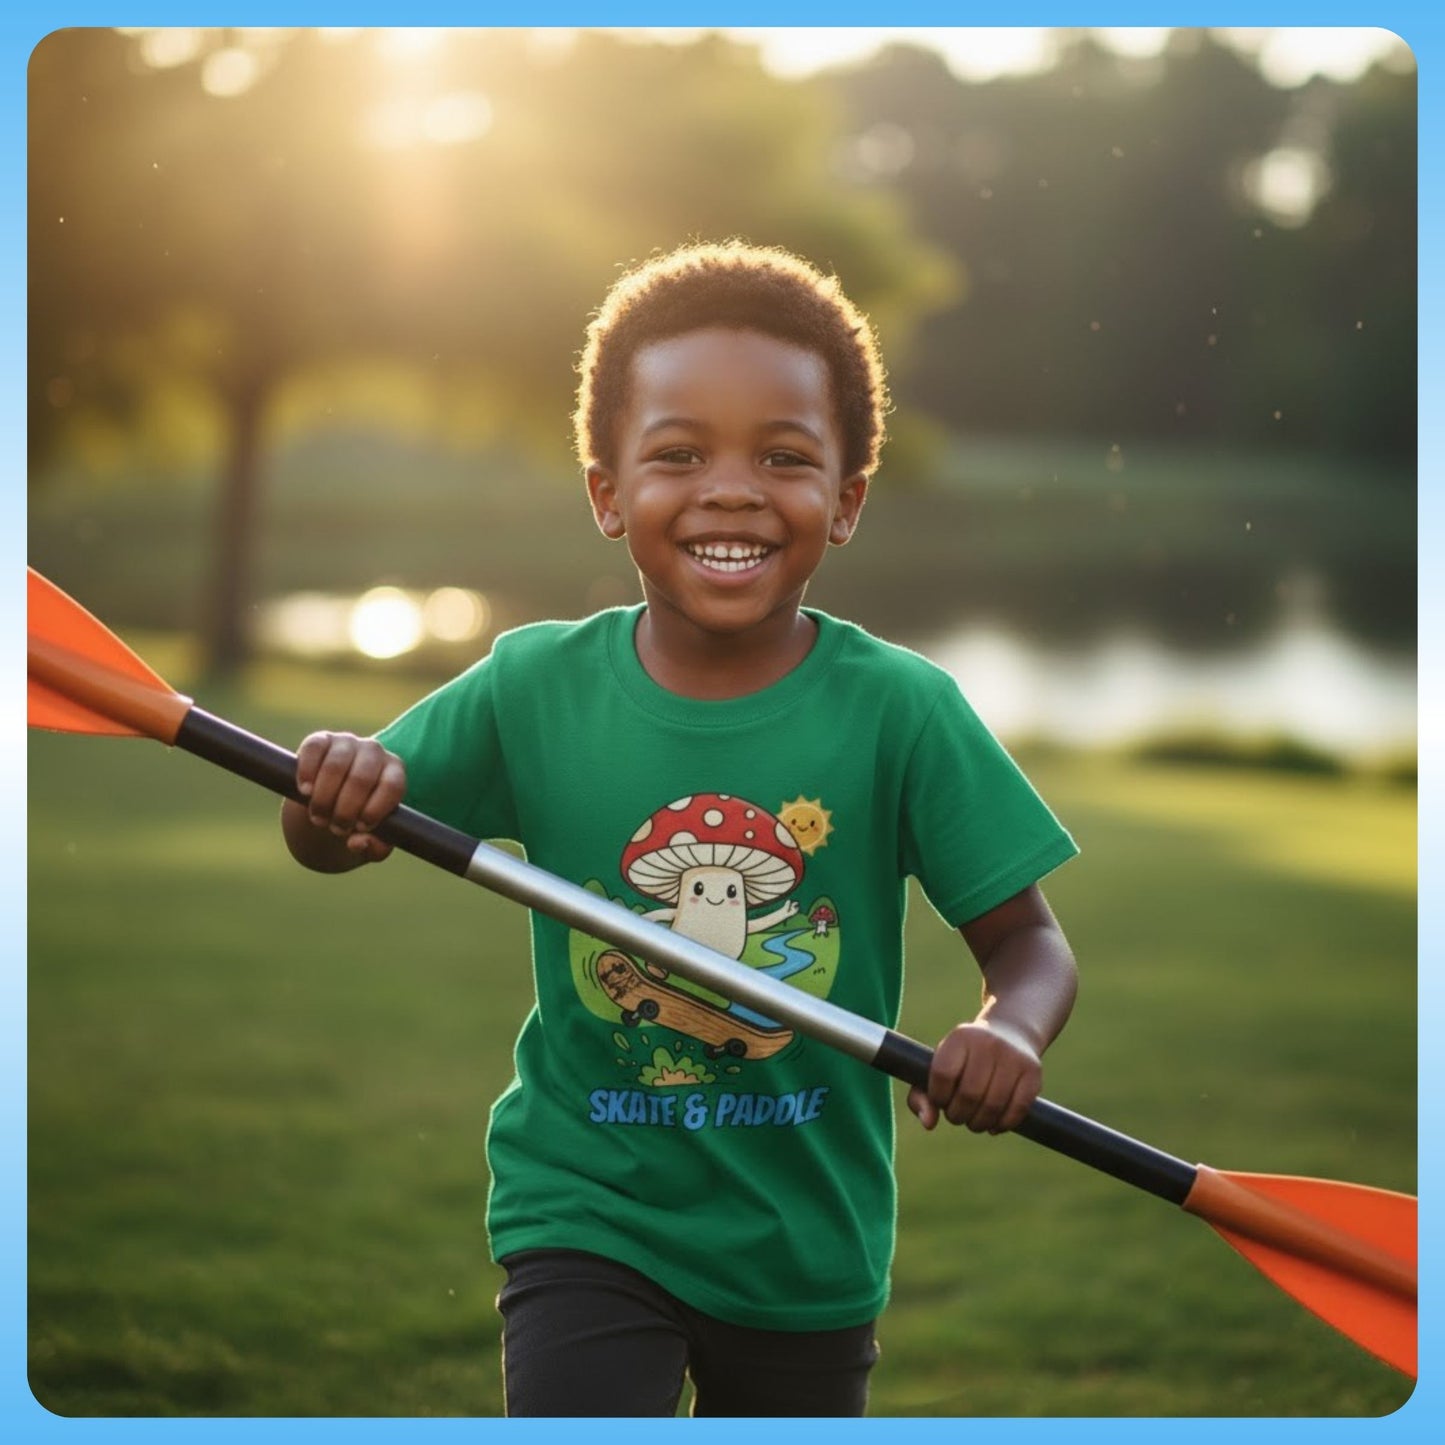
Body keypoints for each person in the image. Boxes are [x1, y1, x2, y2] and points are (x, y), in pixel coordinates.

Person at [280, 241, 1080, 1417]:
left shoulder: (900, 709)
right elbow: (330, 830)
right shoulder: (528, 683)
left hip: (804, 1245)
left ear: (845, 499)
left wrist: (1008, 1030)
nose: (730, 488)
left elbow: (1030, 944)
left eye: (784, 456)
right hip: (586, 1209)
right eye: (676, 453)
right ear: (607, 490)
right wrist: (335, 793)